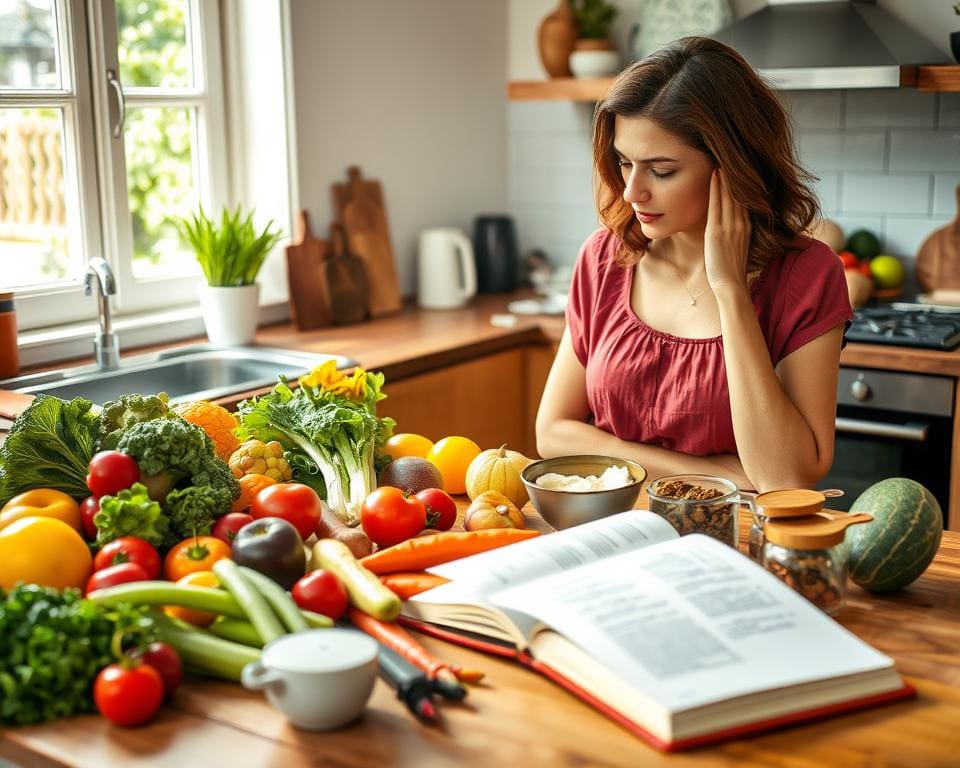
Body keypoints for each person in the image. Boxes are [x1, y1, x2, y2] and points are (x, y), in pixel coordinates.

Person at [535, 37, 852, 492]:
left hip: (734, 541)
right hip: (615, 530)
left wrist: (730, 290)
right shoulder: (604, 258)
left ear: (733, 163)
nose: (632, 192)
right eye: (625, 163)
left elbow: (785, 477)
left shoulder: (808, 275)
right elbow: (552, 433)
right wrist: (716, 473)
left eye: (661, 171)